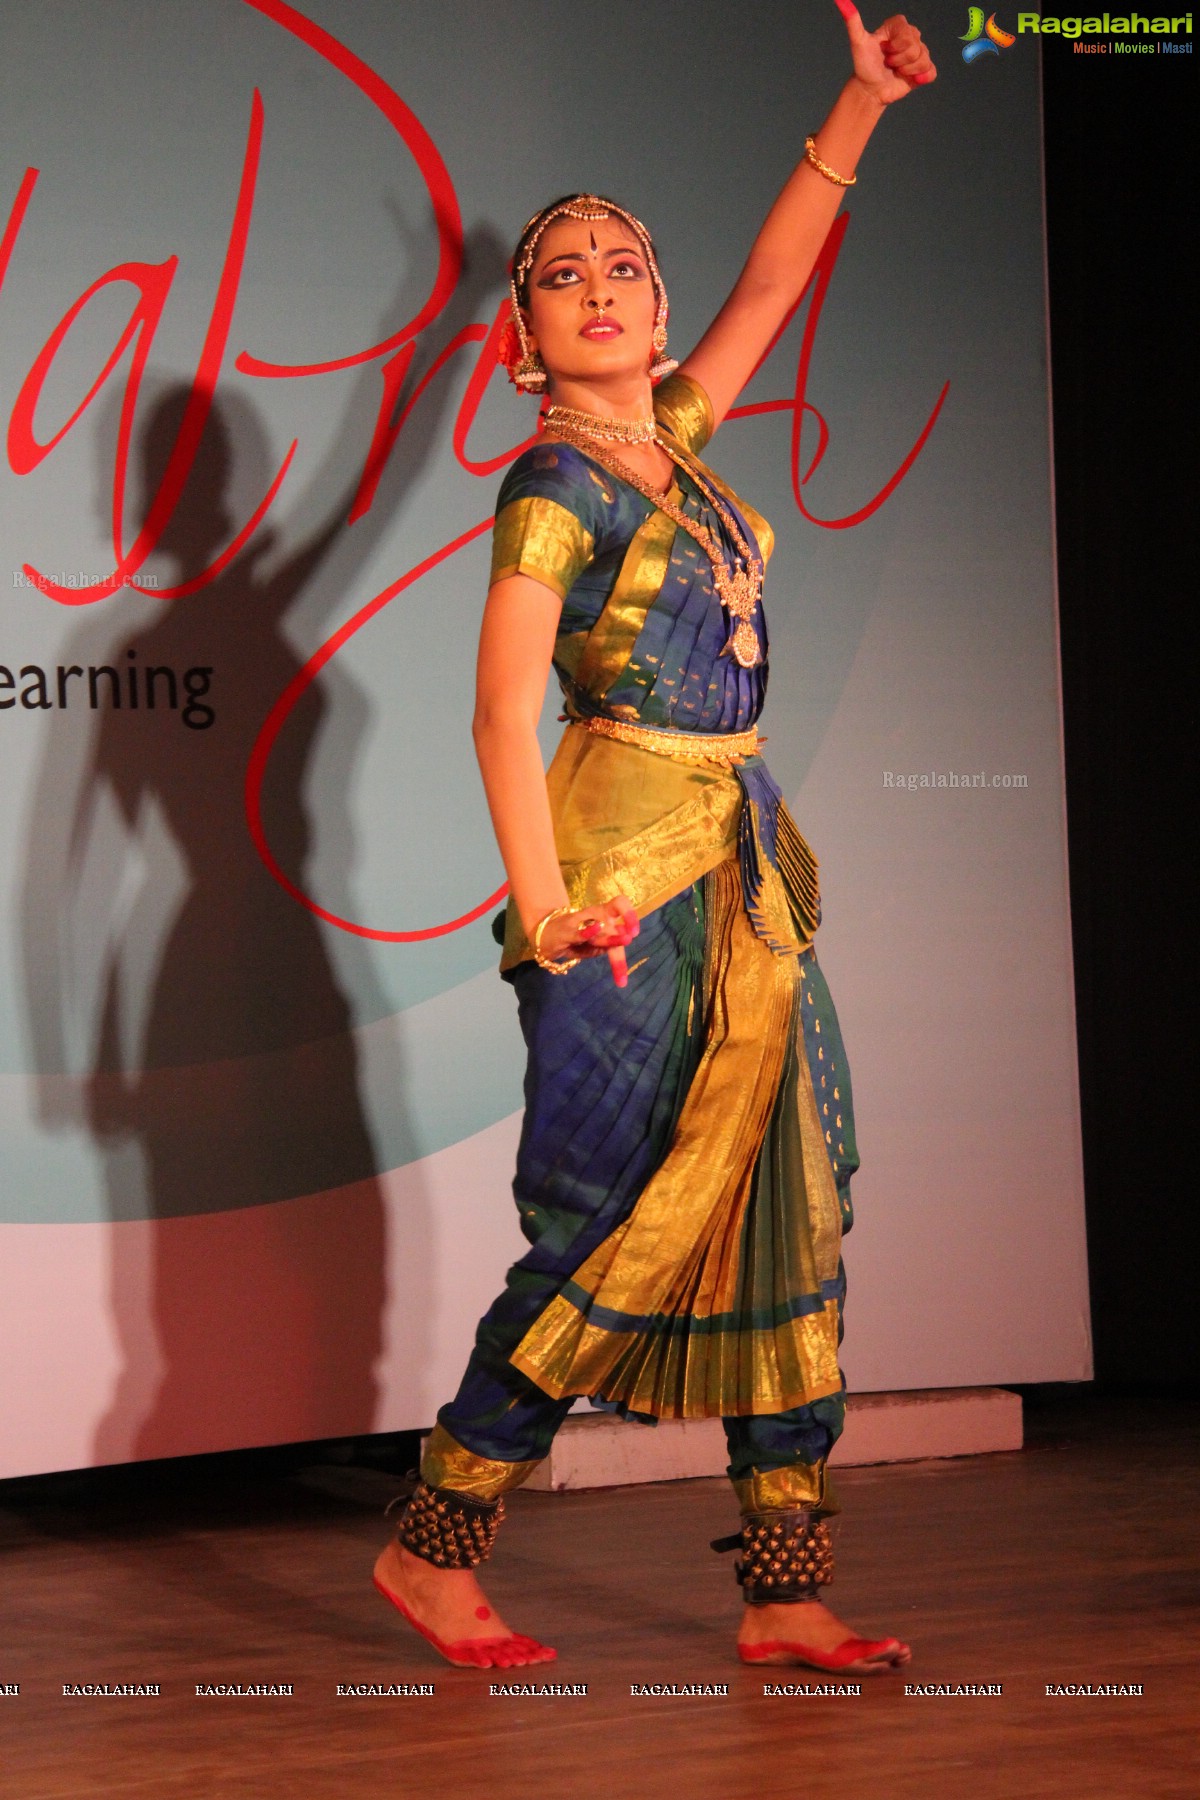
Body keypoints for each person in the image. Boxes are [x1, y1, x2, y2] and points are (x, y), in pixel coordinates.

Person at [374, 2, 935, 1673]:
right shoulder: (555, 484)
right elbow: (493, 714)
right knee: (604, 1213)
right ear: (521, 336)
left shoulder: (674, 446)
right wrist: (548, 916)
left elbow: (775, 286)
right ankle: (435, 1542)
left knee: (795, 1196)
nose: (605, 281)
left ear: (658, 306)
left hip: (748, 872)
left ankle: (784, 1592)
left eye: (626, 260)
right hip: (620, 886)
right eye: (565, 271)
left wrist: (858, 104)